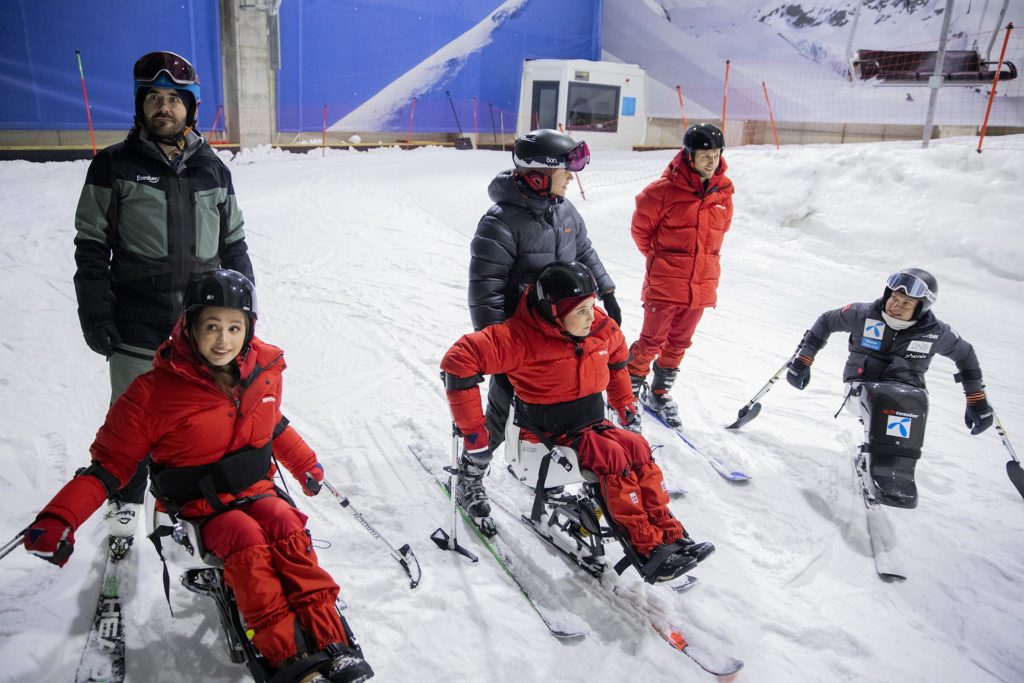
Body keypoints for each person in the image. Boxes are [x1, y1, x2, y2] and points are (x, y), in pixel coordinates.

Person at [23, 270, 373, 683]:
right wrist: (60, 517)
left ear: (249, 329)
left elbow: (272, 423)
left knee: (285, 524)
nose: (223, 340)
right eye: (211, 327)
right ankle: (289, 658)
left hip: (256, 488)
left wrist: (305, 465)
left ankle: (334, 644)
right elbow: (110, 465)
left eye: (234, 327)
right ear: (187, 325)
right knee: (246, 537)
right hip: (201, 504)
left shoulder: (263, 372)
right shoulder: (153, 394)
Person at [73, 51, 255, 559]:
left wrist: (243, 316)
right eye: (154, 98)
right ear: (141, 105)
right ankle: (127, 501)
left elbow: (234, 243)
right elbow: (91, 245)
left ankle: (188, 499)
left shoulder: (212, 169)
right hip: (136, 319)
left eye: (174, 99)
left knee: (201, 417)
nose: (163, 107)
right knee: (131, 422)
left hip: (200, 326)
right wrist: (95, 309)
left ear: (190, 108)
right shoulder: (113, 165)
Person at [442, 261, 713, 580]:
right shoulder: (519, 337)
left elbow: (617, 360)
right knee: (611, 456)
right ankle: (647, 550)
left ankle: (671, 535)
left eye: (591, 306)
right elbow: (458, 361)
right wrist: (475, 434)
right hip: (546, 434)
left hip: (590, 424)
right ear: (555, 311)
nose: (591, 316)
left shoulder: (598, 326)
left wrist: (625, 403)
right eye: (580, 311)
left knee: (637, 446)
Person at [467, 128, 620, 498]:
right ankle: (472, 473)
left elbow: (584, 251)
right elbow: (485, 288)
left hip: (565, 328)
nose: (571, 178)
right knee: (502, 407)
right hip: (522, 335)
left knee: (572, 401)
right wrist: (498, 344)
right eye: (565, 171)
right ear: (538, 175)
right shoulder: (500, 222)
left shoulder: (565, 210)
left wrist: (607, 290)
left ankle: (556, 466)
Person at [785, 268, 992, 508]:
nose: (896, 305)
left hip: (907, 394)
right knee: (884, 398)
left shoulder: (934, 332)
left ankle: (896, 472)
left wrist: (976, 399)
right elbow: (826, 321)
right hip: (860, 387)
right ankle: (876, 462)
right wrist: (804, 360)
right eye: (894, 297)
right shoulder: (863, 314)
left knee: (912, 402)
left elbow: (966, 355)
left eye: (906, 302)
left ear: (921, 307)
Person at [626, 123, 734, 430]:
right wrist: (662, 261)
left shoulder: (723, 192)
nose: (711, 161)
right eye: (704, 155)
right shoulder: (660, 192)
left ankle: (659, 392)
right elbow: (641, 232)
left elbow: (720, 232)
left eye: (715, 155)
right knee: (651, 341)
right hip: (665, 284)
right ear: (689, 156)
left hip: (701, 285)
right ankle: (627, 393)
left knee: (679, 343)